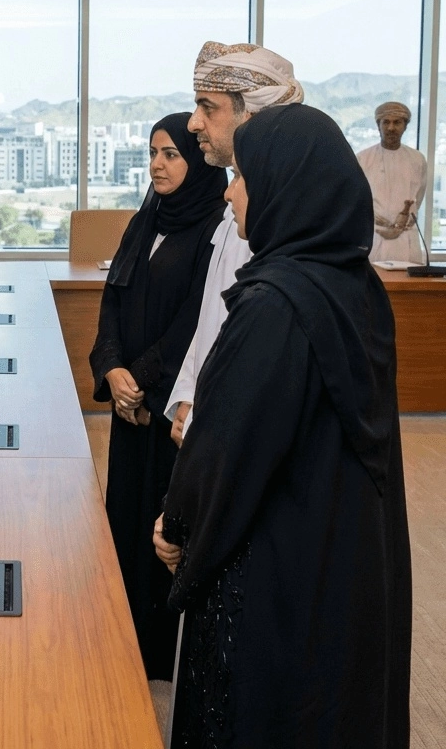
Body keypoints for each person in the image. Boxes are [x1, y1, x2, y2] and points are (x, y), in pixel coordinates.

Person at [154, 104, 411, 749]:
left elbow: (227, 448)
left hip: (272, 571)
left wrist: (177, 525)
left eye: (243, 176)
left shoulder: (274, 305)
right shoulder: (356, 286)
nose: (231, 193)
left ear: (284, 186)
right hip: (342, 552)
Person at [89, 113, 227, 680]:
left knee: (164, 526)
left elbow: (195, 322)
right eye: (152, 153)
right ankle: (120, 638)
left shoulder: (216, 228)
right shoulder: (144, 221)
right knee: (125, 517)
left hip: (170, 407)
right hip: (130, 404)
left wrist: (141, 381)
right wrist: (112, 369)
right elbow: (112, 302)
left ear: (195, 161)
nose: (157, 165)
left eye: (171, 154)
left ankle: (159, 654)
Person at [165, 41, 304, 445]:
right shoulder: (234, 203)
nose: (194, 123)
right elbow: (212, 315)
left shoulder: (276, 214)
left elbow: (258, 352)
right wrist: (189, 392)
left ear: (252, 116)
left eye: (208, 108)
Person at [357, 100, 427, 264]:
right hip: (375, 236)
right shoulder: (363, 158)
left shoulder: (417, 159)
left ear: (405, 126)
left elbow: (419, 197)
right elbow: (357, 200)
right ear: (378, 125)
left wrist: (400, 224)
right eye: (386, 122)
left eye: (397, 122)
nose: (391, 128)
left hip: (406, 239)